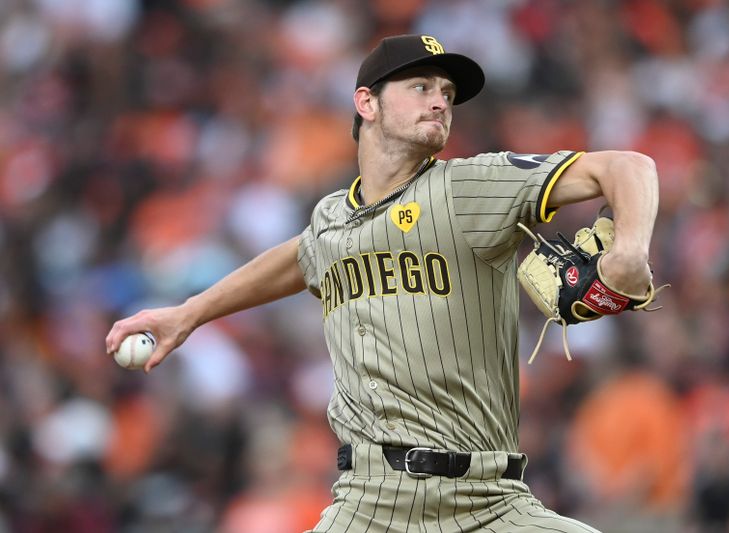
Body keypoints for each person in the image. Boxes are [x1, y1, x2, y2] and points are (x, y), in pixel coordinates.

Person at [106, 34, 659, 532]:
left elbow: (630, 167)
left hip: (488, 501)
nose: (440, 100)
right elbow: (300, 257)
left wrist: (630, 252)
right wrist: (188, 313)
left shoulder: (469, 186)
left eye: (446, 91)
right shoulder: (330, 219)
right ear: (366, 102)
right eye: (420, 86)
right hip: (366, 503)